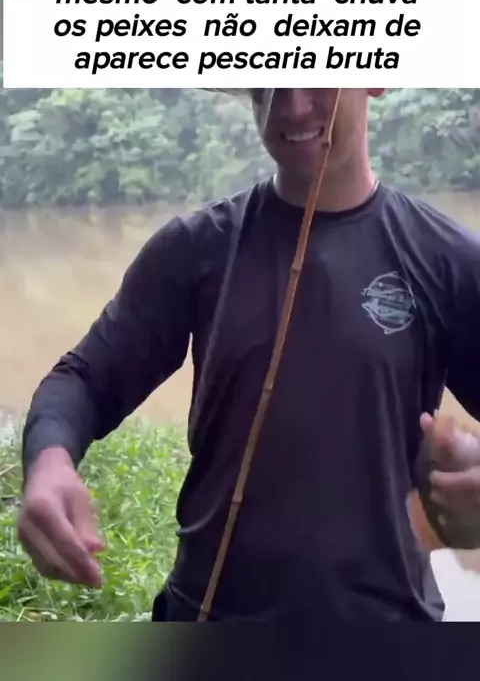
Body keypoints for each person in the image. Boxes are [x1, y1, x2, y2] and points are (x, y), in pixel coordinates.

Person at [18, 88, 480, 622]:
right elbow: (83, 379)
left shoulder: (447, 260)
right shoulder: (197, 248)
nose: (292, 107)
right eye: (267, 84)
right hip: (208, 614)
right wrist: (49, 463)